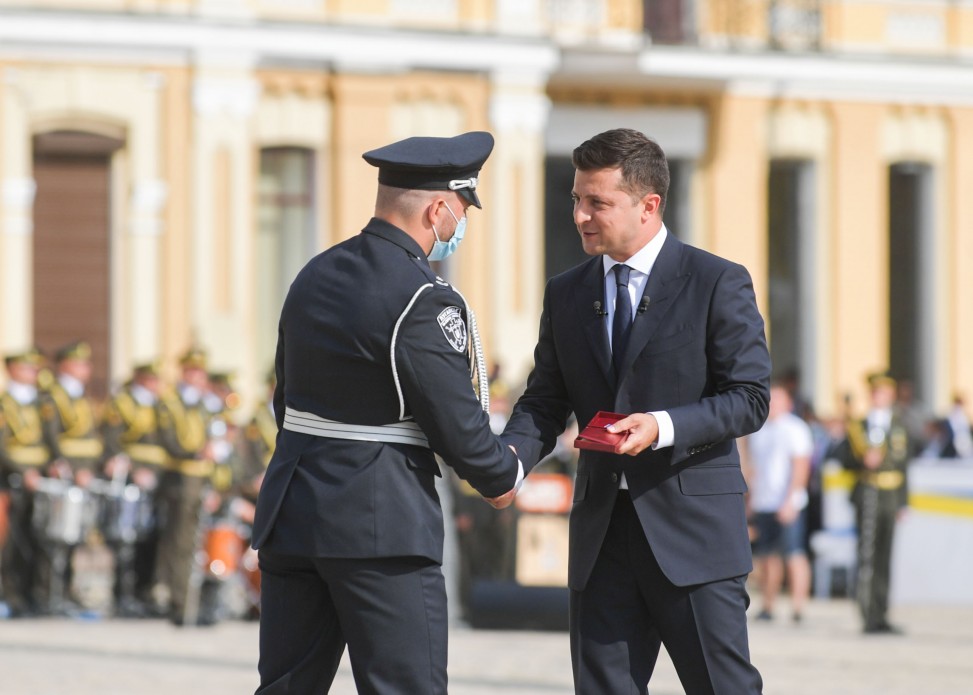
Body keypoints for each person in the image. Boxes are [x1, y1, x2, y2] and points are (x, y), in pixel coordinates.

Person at [501, 128, 770, 694]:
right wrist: (508, 461)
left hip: (694, 536)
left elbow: (750, 397)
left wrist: (662, 427)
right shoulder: (566, 292)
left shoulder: (716, 281)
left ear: (649, 206)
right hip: (602, 537)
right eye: (576, 199)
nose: (580, 215)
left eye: (597, 202)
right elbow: (546, 399)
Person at [251, 131, 521, 694]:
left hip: (294, 511)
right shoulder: (424, 296)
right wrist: (499, 475)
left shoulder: (315, 273)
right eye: (462, 210)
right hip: (380, 526)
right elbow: (455, 418)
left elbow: (286, 397)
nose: (460, 225)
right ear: (439, 208)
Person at [835, 370, 914, 634]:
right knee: (867, 556)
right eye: (877, 393)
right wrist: (862, 461)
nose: (881, 398)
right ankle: (867, 613)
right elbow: (843, 459)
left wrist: (903, 502)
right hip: (868, 493)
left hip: (890, 496)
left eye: (886, 393)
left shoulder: (899, 424)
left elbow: (904, 467)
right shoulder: (859, 426)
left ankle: (882, 613)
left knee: (885, 557)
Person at [154, 347, 217, 625]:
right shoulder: (170, 402)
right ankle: (179, 602)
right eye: (193, 372)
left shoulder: (205, 404)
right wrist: (195, 453)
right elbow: (168, 440)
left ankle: (194, 601)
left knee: (195, 542)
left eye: (200, 373)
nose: (197, 377)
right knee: (180, 542)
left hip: (201, 478)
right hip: (180, 478)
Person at [101, 361, 167, 616]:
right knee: (125, 540)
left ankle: (144, 591)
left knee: (152, 539)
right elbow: (112, 440)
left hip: (158, 479)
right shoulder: (122, 404)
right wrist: (133, 468)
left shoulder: (162, 405)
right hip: (131, 478)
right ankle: (123, 594)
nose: (154, 385)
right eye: (149, 380)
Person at [744, 383, 813, 623]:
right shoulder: (759, 430)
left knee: (794, 554)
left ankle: (798, 607)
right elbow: (755, 468)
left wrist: (791, 501)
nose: (772, 405)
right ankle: (768, 605)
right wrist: (751, 499)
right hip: (765, 501)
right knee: (767, 556)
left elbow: (800, 467)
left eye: (778, 400)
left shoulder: (795, 428)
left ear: (788, 404)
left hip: (787, 502)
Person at [0, 347, 52, 617]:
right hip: (13, 480)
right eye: (27, 369)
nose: (33, 374)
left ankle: (36, 594)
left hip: (40, 479)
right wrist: (22, 471)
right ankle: (12, 595)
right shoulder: (4, 404)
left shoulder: (41, 403)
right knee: (13, 542)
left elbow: (51, 440)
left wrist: (54, 464)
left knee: (39, 539)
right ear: (12, 370)